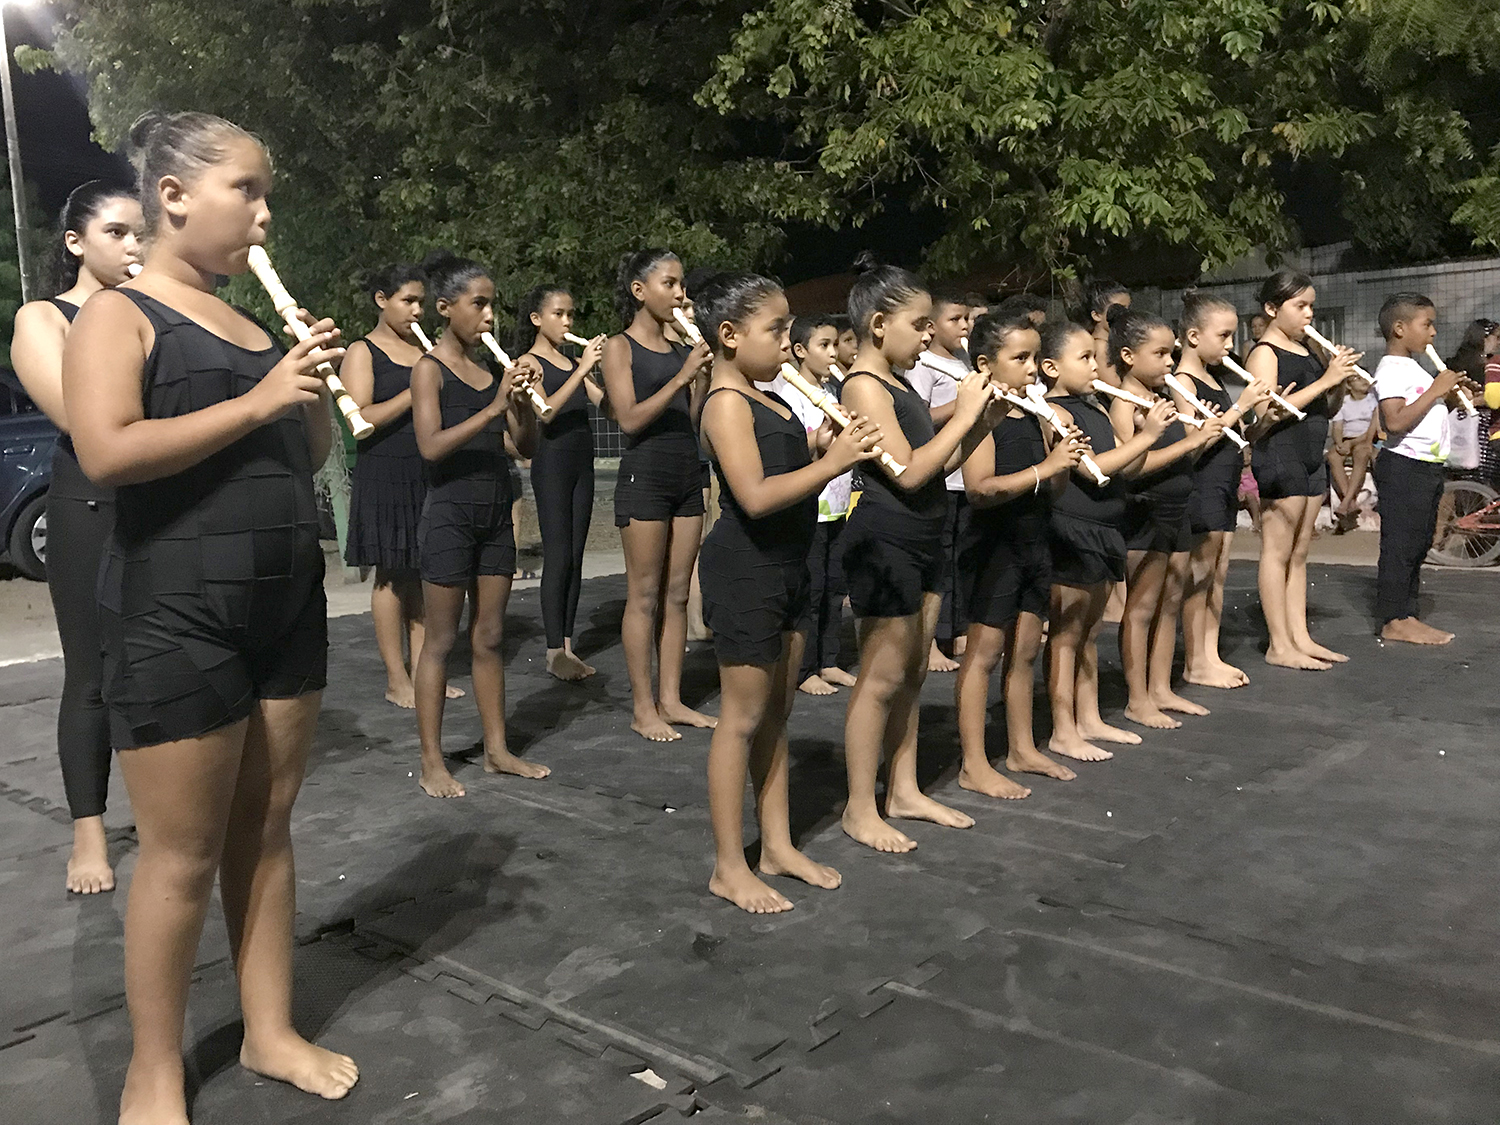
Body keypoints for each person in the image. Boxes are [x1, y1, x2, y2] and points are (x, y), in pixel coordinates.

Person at [63, 110, 358, 1123]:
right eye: (248, 190)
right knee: (182, 854)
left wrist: (305, 388)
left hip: (284, 604)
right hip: (176, 613)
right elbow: (107, 450)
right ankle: (153, 1069)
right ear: (175, 195)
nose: (265, 215)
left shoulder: (256, 326)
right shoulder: (120, 315)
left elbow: (306, 454)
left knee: (267, 830)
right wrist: (261, 397)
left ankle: (269, 1029)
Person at [696, 272, 880, 913]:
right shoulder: (725, 401)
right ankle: (728, 866)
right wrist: (831, 464)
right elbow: (752, 495)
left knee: (776, 714)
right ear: (729, 334)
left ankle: (775, 846)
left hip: (790, 563)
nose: (787, 339)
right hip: (747, 569)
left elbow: (778, 464)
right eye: (775, 328)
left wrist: (818, 446)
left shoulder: (767, 397)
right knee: (741, 720)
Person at [837, 255, 998, 854]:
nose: (930, 336)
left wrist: (983, 422)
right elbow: (904, 472)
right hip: (884, 538)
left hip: (923, 533)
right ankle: (859, 806)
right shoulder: (862, 385)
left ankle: (902, 790)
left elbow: (938, 465)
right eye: (920, 324)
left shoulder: (901, 384)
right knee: (880, 678)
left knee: (912, 673)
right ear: (879, 324)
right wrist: (965, 412)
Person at [11, 181, 142, 894]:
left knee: (160, 665)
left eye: (142, 234)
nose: (133, 246)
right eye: (117, 232)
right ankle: (89, 832)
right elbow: (79, 416)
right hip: (90, 506)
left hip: (164, 503)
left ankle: (165, 807)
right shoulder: (44, 317)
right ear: (75, 242)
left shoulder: (156, 314)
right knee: (93, 674)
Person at [409, 249, 550, 797]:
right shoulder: (430, 370)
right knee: (441, 641)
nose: (489, 315)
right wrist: (493, 408)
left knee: (489, 636)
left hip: (494, 511)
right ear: (446, 307)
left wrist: (522, 405)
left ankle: (496, 750)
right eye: (479, 304)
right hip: (449, 513)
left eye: (492, 305)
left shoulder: (492, 371)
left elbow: (524, 447)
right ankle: (432, 761)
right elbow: (430, 446)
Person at [954, 311, 1087, 800]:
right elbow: (979, 489)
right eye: (1021, 358)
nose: (1032, 368)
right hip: (992, 544)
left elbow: (1054, 489)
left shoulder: (1036, 413)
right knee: (984, 653)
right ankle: (972, 763)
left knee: (1026, 649)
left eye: (1036, 357)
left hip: (1034, 539)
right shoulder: (981, 417)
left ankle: (1022, 748)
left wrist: (1063, 456)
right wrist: (1045, 467)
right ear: (986, 364)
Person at [1040, 320, 1174, 759]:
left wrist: (1143, 434)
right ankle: (1063, 728)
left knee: (1090, 630)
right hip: (1073, 528)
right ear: (1051, 367)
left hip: (1104, 530)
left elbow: (1128, 467)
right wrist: (1147, 436)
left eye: (1095, 358)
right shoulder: (1055, 412)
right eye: (1084, 358)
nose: (1096, 367)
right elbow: (1091, 468)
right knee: (1066, 634)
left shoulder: (1094, 406)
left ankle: (1090, 717)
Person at [601, 250, 715, 740]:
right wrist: (683, 376)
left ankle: (671, 699)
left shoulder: (677, 349)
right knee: (644, 595)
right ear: (639, 290)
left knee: (676, 593)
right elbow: (629, 419)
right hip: (644, 476)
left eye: (681, 284)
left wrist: (700, 380)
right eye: (669, 283)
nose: (680, 293)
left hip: (686, 472)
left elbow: (690, 419)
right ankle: (642, 707)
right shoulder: (619, 347)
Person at [342, 263, 464, 708]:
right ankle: (397, 680)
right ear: (382, 300)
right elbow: (360, 417)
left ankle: (425, 674)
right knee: (392, 575)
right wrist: (414, 391)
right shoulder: (363, 350)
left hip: (428, 470)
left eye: (420, 303)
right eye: (407, 301)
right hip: (385, 472)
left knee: (426, 573)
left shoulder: (427, 352)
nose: (417, 311)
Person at [1107, 306, 1224, 730]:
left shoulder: (1161, 400)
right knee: (1141, 609)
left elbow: (1179, 455)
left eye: (1171, 353)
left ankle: (1160, 688)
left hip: (1177, 507)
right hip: (1145, 511)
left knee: (1171, 601)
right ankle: (1137, 698)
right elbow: (1131, 467)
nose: (1169, 363)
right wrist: (1186, 442)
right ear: (1128, 356)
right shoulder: (1124, 404)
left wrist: (1204, 435)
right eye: (1159, 354)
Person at [1245, 269, 1359, 670]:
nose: (1309, 314)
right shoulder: (1264, 353)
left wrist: (1339, 381)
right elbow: (1267, 411)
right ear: (1272, 308)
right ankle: (1279, 643)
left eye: (1311, 306)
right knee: (1276, 551)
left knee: (1300, 552)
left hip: (1311, 453)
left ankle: (1300, 637)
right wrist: (1327, 378)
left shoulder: (1307, 350)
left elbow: (1327, 407)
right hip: (1282, 453)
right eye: (1300, 306)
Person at [1174, 292, 1271, 689]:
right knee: (1199, 577)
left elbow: (1231, 432)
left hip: (1224, 483)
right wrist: (1239, 406)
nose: (1231, 345)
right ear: (1194, 336)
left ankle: (1209, 654)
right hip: (1203, 485)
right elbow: (1191, 443)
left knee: (1218, 574)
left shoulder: (1213, 378)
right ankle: (1195, 660)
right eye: (1224, 335)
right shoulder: (1183, 382)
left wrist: (1263, 420)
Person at [519, 284, 607, 680]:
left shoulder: (573, 362)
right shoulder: (529, 362)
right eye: (558, 314)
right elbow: (546, 411)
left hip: (582, 463)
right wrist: (583, 369)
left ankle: (568, 646)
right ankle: (554, 650)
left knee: (575, 555)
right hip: (552, 463)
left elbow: (608, 405)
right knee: (557, 555)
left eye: (570, 314)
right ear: (537, 319)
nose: (567, 322)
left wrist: (616, 368)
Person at [1372, 293, 1471, 644]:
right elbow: (1394, 421)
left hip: (1426, 465)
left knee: (1418, 542)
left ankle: (1407, 613)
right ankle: (1393, 618)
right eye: (1426, 324)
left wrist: (1454, 397)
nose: (1433, 333)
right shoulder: (1390, 369)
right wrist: (1435, 390)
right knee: (1400, 544)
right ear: (1399, 328)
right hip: (1404, 466)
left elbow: (1425, 412)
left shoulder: (1414, 368)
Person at [774, 314, 857, 695]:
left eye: (834, 345)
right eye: (824, 345)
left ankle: (829, 660)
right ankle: (804, 668)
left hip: (837, 503)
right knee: (812, 588)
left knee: (834, 586)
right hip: (810, 505)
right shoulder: (787, 394)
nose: (833, 353)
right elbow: (790, 448)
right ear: (800, 350)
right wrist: (820, 440)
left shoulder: (834, 390)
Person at [904, 287, 974, 669]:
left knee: (961, 559)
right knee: (939, 561)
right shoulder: (923, 364)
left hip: (965, 476)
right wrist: (962, 408)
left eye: (967, 318)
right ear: (932, 325)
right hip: (940, 475)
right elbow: (921, 418)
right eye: (955, 319)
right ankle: (930, 642)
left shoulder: (964, 360)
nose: (965, 326)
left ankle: (958, 632)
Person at [1327, 375, 1380, 533]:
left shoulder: (1373, 400)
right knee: (1333, 456)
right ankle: (1350, 503)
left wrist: (1353, 443)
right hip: (1347, 438)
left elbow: (1372, 429)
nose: (1364, 381)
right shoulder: (1343, 402)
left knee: (1361, 454)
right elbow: (1337, 427)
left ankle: (1345, 503)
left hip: (1366, 439)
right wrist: (1339, 443)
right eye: (1358, 379)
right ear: (1349, 386)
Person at [1072, 277, 1130, 386]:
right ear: (1096, 315)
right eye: (1118, 309)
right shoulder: (1100, 347)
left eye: (1127, 309)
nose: (1125, 315)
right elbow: (1115, 385)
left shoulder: (1114, 342)